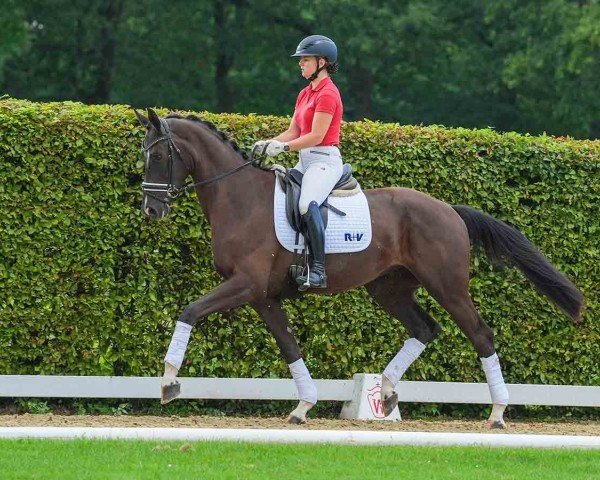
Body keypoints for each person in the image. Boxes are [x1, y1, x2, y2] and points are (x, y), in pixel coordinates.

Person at [253, 34, 344, 290]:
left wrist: (284, 147)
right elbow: (293, 131)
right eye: (301, 60)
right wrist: (269, 142)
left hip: (324, 160)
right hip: (305, 160)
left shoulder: (328, 94)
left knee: (306, 203)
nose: (300, 64)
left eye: (305, 60)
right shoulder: (305, 93)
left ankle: (318, 270)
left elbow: (316, 135)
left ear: (322, 62)